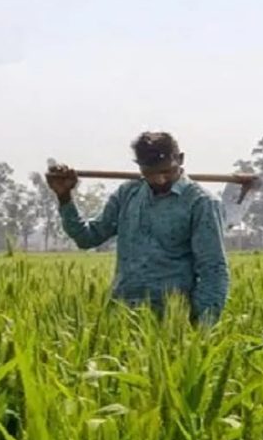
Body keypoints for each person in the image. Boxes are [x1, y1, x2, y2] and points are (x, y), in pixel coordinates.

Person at [45, 131, 229, 325]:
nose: (160, 180)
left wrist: (201, 327)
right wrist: (64, 197)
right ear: (140, 168)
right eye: (150, 174)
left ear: (180, 159)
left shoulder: (201, 203)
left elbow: (213, 270)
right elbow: (87, 238)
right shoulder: (127, 194)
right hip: (121, 314)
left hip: (171, 319)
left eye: (167, 171)